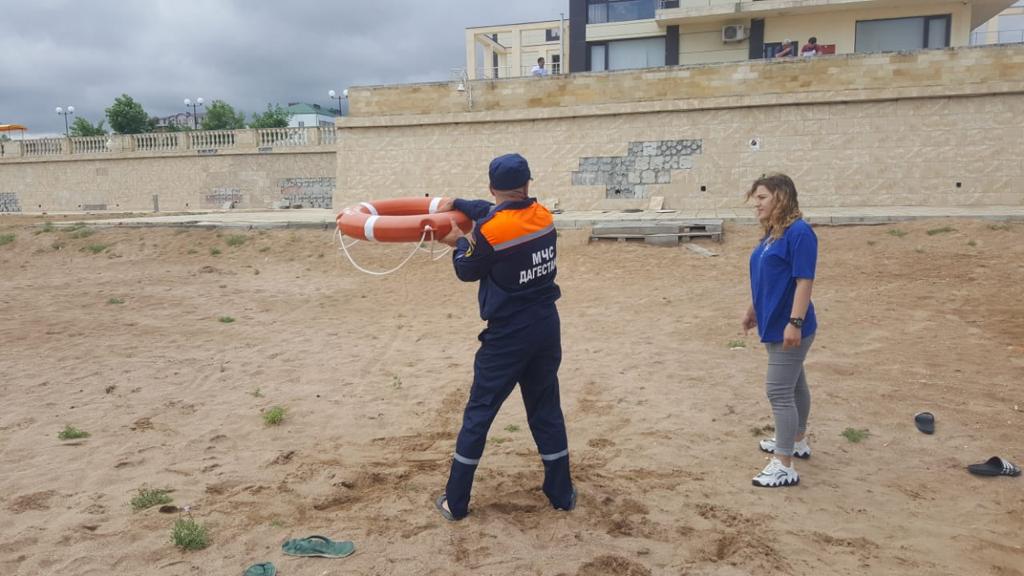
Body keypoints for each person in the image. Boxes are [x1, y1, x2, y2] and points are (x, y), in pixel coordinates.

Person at [433, 153, 575, 520]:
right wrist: (461, 204)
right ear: (528, 184)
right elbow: (496, 211)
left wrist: (457, 241)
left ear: (492, 187)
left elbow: (467, 268)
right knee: (546, 410)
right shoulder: (543, 216)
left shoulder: (489, 233)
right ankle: (561, 494)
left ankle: (456, 502)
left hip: (508, 335)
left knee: (479, 412)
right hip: (546, 326)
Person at [742, 173, 818, 488]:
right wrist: (753, 309)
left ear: (781, 198)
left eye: (762, 197)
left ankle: (783, 463)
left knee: (778, 391)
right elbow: (766, 277)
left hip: (790, 326)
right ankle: (797, 440)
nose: (756, 204)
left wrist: (795, 322)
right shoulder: (774, 233)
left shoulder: (799, 233)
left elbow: (804, 280)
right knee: (795, 385)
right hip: (773, 322)